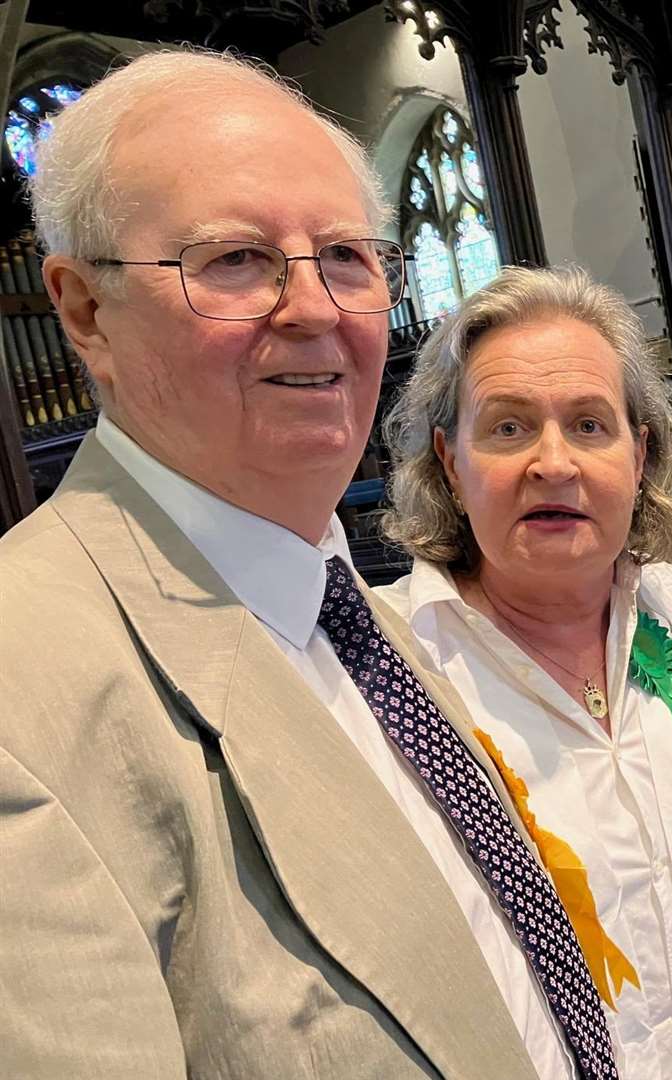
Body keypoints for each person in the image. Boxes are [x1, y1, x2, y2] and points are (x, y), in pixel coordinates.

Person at [0, 50, 611, 1078]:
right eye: (234, 260)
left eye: (346, 256)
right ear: (84, 311)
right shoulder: (25, 697)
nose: (317, 309)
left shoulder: (343, 606)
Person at [375, 264, 672, 1079]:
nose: (553, 463)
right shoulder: (397, 677)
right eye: (507, 429)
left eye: (589, 425)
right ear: (449, 460)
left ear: (640, 450)